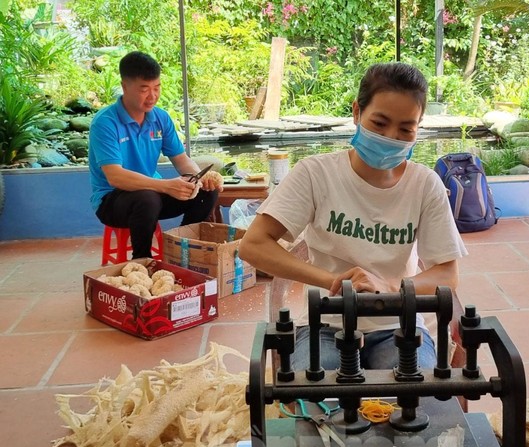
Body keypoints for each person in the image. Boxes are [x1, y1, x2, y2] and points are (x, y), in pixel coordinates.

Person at [239, 62, 467, 371]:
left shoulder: (425, 184)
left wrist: (389, 287)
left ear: (418, 127)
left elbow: (446, 274)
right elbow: (253, 245)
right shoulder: (315, 174)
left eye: (405, 129)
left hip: (398, 325)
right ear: (357, 112)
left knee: (409, 400)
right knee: (324, 403)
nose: (391, 137)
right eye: (379, 123)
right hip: (325, 324)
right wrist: (334, 282)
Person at [89, 51, 223, 259]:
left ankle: (183, 250)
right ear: (125, 87)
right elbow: (115, 176)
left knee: (206, 191)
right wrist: (167, 185)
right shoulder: (105, 123)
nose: (152, 96)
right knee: (147, 197)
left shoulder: (160, 118)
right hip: (112, 201)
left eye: (156, 88)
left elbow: (181, 160)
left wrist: (199, 177)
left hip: (153, 196)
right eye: (144, 89)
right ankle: (142, 261)